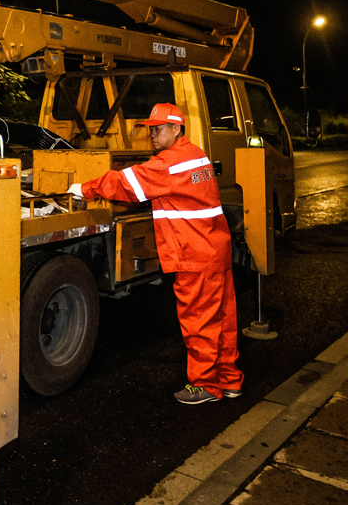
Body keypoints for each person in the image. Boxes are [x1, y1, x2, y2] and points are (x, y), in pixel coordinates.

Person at [69, 102, 243, 404]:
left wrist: (83, 188)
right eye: (150, 129)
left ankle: (205, 386)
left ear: (176, 129)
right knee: (223, 319)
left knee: (199, 320)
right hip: (216, 249)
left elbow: (126, 184)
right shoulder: (197, 155)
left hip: (194, 254)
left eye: (158, 129)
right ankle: (229, 380)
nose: (152, 135)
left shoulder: (170, 163)